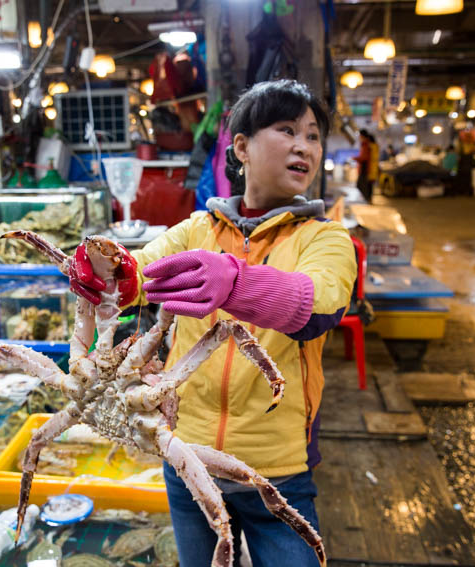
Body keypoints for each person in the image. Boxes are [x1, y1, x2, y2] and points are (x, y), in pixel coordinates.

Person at [69, 79, 357, 567]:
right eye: (287, 130)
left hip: (278, 467)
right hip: (187, 456)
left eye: (312, 135)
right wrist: (101, 268)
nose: (303, 146)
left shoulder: (325, 239)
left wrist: (237, 283)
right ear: (241, 146)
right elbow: (133, 278)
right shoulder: (196, 231)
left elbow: (317, 306)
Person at [353, 129, 372, 200]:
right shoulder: (366, 144)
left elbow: (364, 157)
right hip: (364, 167)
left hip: (364, 167)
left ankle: (364, 200)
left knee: (361, 185)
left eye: (360, 135)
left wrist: (355, 158)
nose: (359, 137)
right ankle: (364, 199)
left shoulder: (365, 144)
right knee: (362, 185)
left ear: (362, 135)